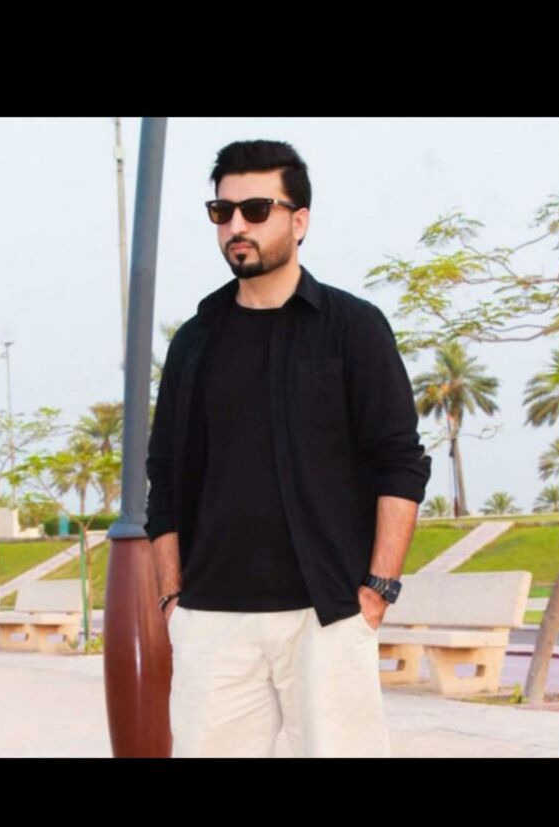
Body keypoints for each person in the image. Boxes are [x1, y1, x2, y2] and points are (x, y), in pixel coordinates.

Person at [144, 139, 432, 758]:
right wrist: (172, 600)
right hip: (212, 620)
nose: (236, 226)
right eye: (222, 212)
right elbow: (163, 476)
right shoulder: (193, 342)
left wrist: (378, 590)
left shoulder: (353, 328)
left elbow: (400, 463)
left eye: (255, 209)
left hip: (327, 614)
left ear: (299, 221)